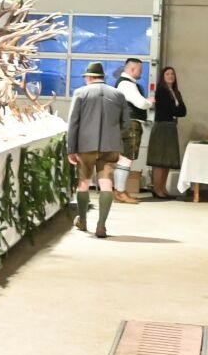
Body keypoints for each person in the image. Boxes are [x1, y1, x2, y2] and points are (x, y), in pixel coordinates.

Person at [66, 63, 128, 237]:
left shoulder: (80, 93)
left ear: (89, 77)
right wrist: (115, 136)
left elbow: (73, 123)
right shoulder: (118, 94)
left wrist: (71, 148)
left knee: (84, 183)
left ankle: (83, 221)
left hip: (86, 146)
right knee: (106, 184)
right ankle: (101, 226)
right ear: (102, 77)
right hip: (111, 146)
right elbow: (126, 123)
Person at [146, 64, 186, 198]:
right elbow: (169, 110)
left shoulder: (175, 92)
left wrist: (176, 110)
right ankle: (157, 189)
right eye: (167, 74)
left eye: (172, 74)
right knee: (159, 160)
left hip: (171, 126)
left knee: (167, 160)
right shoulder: (161, 91)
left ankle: (163, 188)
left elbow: (183, 111)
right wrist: (176, 110)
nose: (170, 76)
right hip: (162, 126)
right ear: (163, 77)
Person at [114, 58, 150, 200]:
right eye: (140, 70)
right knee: (127, 158)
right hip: (130, 124)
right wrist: (149, 102)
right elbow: (140, 103)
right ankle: (120, 192)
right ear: (132, 69)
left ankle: (120, 190)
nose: (141, 73)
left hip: (127, 123)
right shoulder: (126, 84)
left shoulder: (126, 82)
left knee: (125, 158)